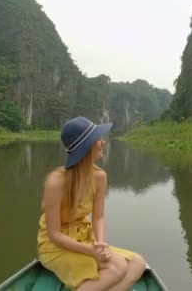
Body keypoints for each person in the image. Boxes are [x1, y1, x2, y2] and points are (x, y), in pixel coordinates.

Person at [37, 116, 147, 290]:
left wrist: (101, 243)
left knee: (138, 263)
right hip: (56, 246)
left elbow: (98, 217)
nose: (103, 142)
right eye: (98, 139)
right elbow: (54, 234)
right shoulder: (55, 182)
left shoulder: (99, 177)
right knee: (117, 267)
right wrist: (90, 251)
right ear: (86, 147)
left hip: (86, 239)